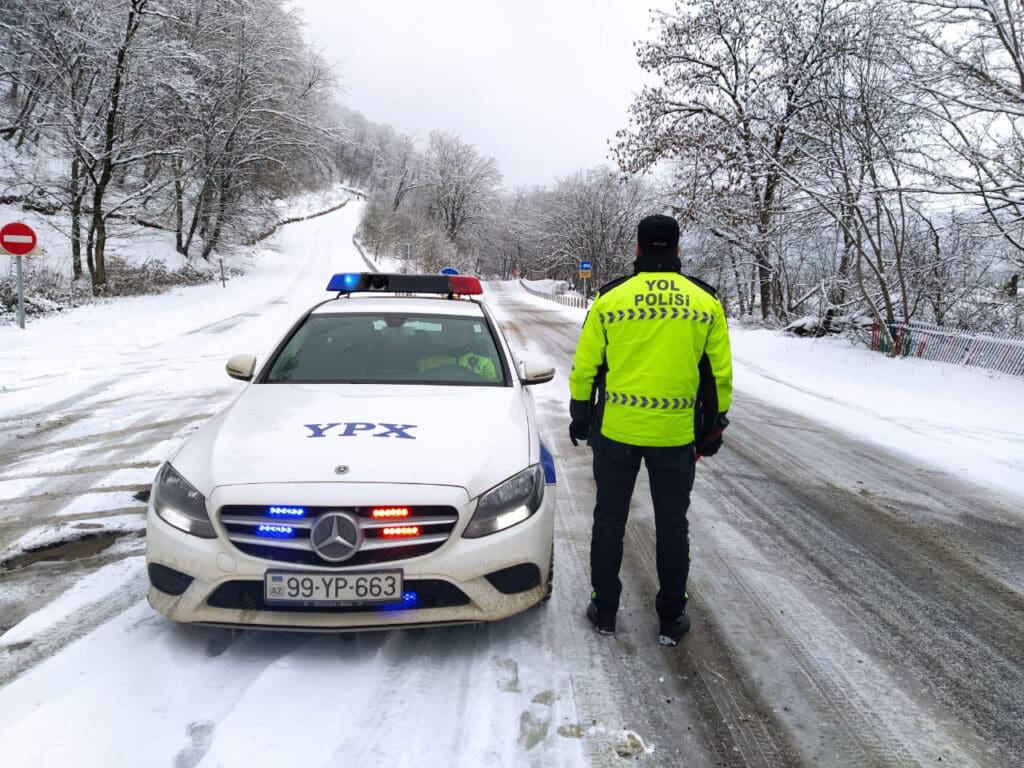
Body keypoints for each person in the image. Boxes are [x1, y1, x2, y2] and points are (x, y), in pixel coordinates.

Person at [568, 214, 733, 646]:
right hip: (674, 438)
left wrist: (580, 416)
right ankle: (671, 618)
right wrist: (712, 429)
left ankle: (605, 610)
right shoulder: (705, 303)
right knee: (672, 525)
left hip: (617, 434)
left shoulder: (609, 300)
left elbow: (586, 367)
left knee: (609, 520)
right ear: (677, 249)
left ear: (638, 249)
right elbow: (717, 376)